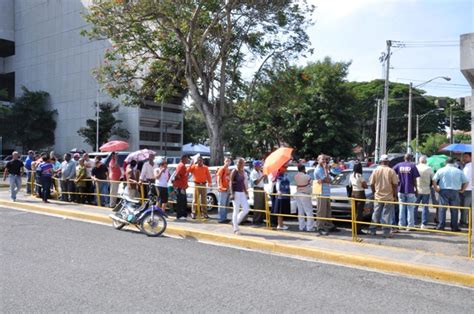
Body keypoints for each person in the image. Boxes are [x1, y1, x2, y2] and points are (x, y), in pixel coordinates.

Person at [432, 157, 468, 232]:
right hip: (455, 191)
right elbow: (466, 181)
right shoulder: (459, 171)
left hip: (443, 191)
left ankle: (441, 226)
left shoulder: (441, 170)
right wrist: (462, 190)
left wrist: (436, 188)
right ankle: (454, 227)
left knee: (442, 209)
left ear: (446, 163)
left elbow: (434, 179)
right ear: (454, 163)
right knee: (454, 210)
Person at [369, 154, 399, 238]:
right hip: (388, 197)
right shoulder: (391, 171)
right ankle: (385, 232)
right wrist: (394, 195)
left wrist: (374, 192)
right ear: (387, 162)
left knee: (376, 214)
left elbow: (371, 183)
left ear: (380, 161)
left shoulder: (376, 170)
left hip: (378, 196)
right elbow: (395, 184)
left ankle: (372, 230)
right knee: (387, 215)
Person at [393, 154, 420, 230]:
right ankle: (410, 226)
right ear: (411, 158)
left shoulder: (399, 165)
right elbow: (415, 179)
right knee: (410, 208)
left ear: (404, 158)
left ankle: (401, 225)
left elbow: (392, 172)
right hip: (410, 190)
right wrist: (416, 189)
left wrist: (397, 179)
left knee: (401, 208)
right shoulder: (413, 166)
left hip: (400, 189)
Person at [314, 154, 337, 234]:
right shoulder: (319, 169)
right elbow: (327, 179)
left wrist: (326, 175)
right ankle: (320, 227)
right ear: (318, 160)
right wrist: (326, 170)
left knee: (327, 211)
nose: (324, 161)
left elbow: (330, 180)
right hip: (321, 192)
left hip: (326, 192)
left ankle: (329, 225)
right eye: (322, 159)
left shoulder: (323, 169)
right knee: (321, 211)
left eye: (325, 159)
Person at [229, 158, 250, 235]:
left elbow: (243, 183)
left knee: (246, 209)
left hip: (242, 193)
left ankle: (235, 222)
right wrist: (232, 193)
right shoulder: (234, 171)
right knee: (236, 210)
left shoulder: (243, 171)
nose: (239, 164)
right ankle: (235, 228)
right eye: (238, 163)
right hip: (236, 193)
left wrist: (246, 192)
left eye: (241, 163)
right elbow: (230, 182)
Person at [415, 156, 434, 229]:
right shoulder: (429, 168)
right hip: (426, 190)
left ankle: (414, 222)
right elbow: (433, 179)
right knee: (425, 207)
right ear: (426, 161)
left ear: (419, 161)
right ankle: (424, 224)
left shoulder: (416, 167)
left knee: (414, 206)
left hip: (416, 189)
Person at [294, 164, 314, 232]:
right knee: (309, 211)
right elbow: (312, 183)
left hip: (298, 194)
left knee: (300, 211)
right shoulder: (307, 176)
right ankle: (309, 227)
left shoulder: (296, 176)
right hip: (305, 194)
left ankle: (301, 226)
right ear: (303, 169)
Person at [350, 162, 368, 234]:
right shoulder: (360, 176)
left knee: (354, 212)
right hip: (360, 194)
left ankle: (353, 228)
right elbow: (365, 185)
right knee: (359, 213)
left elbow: (350, 184)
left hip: (353, 193)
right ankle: (358, 229)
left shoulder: (351, 175)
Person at [249, 160, 266, 225]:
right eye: (259, 165)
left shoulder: (259, 171)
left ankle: (260, 220)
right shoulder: (253, 173)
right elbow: (256, 182)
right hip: (257, 189)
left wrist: (263, 176)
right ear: (255, 166)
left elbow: (261, 180)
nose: (260, 166)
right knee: (258, 205)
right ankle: (256, 220)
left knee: (262, 205)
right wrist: (262, 176)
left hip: (261, 188)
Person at [274, 164, 291, 230]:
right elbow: (278, 184)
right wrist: (279, 191)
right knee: (280, 210)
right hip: (281, 195)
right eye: (285, 167)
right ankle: (280, 225)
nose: (286, 168)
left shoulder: (284, 175)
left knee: (282, 210)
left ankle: (281, 224)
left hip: (285, 195)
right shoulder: (279, 176)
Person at [173, 155, 190, 220]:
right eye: (186, 159)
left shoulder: (182, 165)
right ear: (183, 159)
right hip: (180, 186)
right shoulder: (181, 165)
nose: (187, 160)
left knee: (183, 201)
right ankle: (180, 215)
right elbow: (177, 175)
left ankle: (182, 215)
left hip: (182, 186)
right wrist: (181, 181)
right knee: (181, 201)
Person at [217, 157, 232, 223]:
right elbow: (218, 177)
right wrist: (219, 186)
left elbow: (229, 179)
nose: (228, 162)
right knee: (222, 204)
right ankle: (221, 218)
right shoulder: (222, 169)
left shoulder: (228, 169)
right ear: (224, 161)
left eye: (229, 161)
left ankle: (225, 217)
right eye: (226, 161)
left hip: (227, 189)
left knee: (226, 204)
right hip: (222, 189)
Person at [460, 153, 472, 227]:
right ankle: (470, 222)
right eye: (463, 157)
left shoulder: (468, 167)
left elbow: (466, 181)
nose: (464, 158)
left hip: (467, 190)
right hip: (470, 189)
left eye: (466, 157)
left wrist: (462, 189)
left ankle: (463, 223)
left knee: (464, 208)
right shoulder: (468, 166)